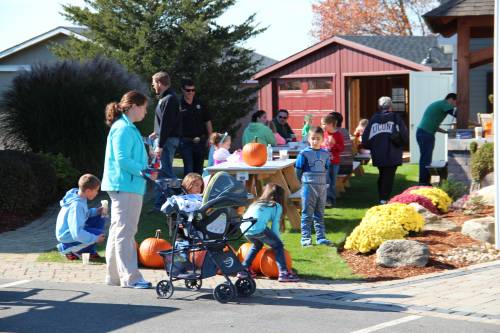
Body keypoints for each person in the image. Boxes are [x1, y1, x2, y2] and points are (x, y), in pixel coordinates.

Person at [102, 90, 153, 289]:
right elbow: (122, 159)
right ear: (133, 106)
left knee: (118, 231)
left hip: (125, 184)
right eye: (144, 107)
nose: (146, 112)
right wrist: (144, 171)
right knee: (126, 231)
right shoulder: (123, 128)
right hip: (126, 185)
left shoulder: (125, 127)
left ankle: (114, 276)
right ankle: (131, 278)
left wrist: (145, 168)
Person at [238, 183, 299, 282]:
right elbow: (275, 226)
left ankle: (243, 269)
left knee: (257, 245)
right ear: (280, 196)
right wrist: (277, 241)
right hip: (257, 228)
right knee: (278, 245)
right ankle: (283, 273)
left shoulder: (256, 203)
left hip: (245, 229)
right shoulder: (276, 205)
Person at [362, 96, 408, 204]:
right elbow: (405, 136)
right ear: (391, 106)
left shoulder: (374, 118)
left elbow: (365, 140)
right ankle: (384, 198)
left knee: (383, 174)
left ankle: (382, 197)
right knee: (388, 176)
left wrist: (373, 146)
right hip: (392, 153)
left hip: (378, 154)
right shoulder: (396, 118)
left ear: (379, 106)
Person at [295, 126, 333, 247]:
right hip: (308, 186)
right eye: (313, 138)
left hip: (321, 187)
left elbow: (326, 168)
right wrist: (300, 182)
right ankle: (305, 238)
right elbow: (298, 170)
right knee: (307, 213)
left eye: (318, 138)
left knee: (320, 213)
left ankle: (320, 237)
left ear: (322, 140)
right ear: (308, 139)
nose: (315, 141)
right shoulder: (304, 154)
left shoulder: (326, 154)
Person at [150, 71, 182, 210]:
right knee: (162, 172)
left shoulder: (169, 98)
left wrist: (160, 145)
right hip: (165, 138)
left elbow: (167, 124)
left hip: (167, 141)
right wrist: (156, 133)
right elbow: (164, 122)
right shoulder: (167, 98)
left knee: (166, 173)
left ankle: (182, 196)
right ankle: (161, 203)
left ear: (159, 83)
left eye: (154, 83)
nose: (153, 86)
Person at [55, 174, 106, 260]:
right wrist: (95, 238)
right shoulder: (76, 206)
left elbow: (83, 214)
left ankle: (88, 251)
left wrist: (96, 211)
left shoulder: (80, 198)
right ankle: (66, 248)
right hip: (67, 235)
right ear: (88, 191)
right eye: (96, 190)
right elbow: (76, 233)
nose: (97, 193)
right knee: (98, 234)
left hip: (73, 232)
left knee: (100, 216)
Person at [416, 93, 457, 185]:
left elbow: (433, 124)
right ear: (451, 99)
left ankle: (425, 182)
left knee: (426, 158)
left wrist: (446, 132)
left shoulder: (439, 104)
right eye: (456, 102)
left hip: (424, 133)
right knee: (425, 159)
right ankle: (423, 183)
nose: (455, 105)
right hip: (425, 134)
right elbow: (457, 114)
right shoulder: (444, 104)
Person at [179, 78, 213, 176]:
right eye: (188, 90)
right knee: (188, 169)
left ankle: (198, 191)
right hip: (185, 141)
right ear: (182, 90)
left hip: (200, 141)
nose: (191, 92)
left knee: (199, 169)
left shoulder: (200, 103)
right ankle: (187, 190)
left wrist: (210, 137)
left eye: (193, 90)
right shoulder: (178, 104)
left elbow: (208, 121)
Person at [321, 113, 344, 207]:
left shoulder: (338, 135)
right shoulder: (323, 134)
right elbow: (321, 145)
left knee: (333, 182)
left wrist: (334, 144)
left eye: (323, 124)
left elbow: (341, 148)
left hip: (335, 162)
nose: (322, 126)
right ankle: (327, 200)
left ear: (330, 124)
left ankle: (332, 199)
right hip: (325, 162)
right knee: (326, 181)